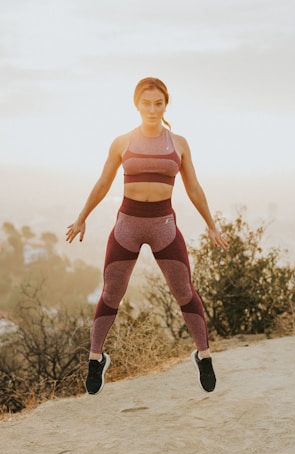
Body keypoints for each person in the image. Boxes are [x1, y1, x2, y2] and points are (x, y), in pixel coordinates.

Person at [66, 77, 228, 396]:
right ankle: (96, 359)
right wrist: (81, 216)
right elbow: (103, 183)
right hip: (128, 224)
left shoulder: (179, 143)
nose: (152, 109)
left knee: (184, 290)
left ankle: (204, 355)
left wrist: (211, 224)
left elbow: (193, 188)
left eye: (159, 103)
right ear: (136, 104)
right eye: (146, 103)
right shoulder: (122, 142)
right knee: (112, 291)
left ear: (166, 105)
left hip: (163, 226)